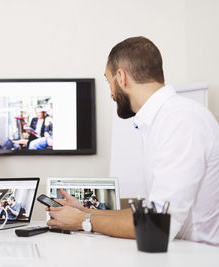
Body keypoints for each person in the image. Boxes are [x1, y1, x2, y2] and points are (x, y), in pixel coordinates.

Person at [47, 36, 219, 245]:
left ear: (121, 77)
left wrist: (82, 221)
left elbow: (158, 223)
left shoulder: (180, 120)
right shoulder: (161, 120)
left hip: (199, 257)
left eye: (108, 80)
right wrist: (82, 211)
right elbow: (150, 211)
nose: (110, 91)